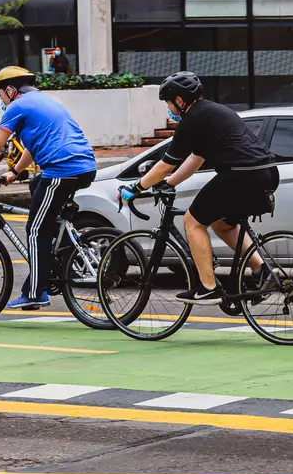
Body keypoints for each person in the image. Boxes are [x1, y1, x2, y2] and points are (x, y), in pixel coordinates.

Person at [118, 71, 279, 305]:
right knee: (222, 224)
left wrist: (136, 187)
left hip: (240, 175)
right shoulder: (215, 112)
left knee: (193, 221)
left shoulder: (192, 120)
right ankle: (262, 271)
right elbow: (197, 157)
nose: (169, 108)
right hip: (266, 172)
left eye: (168, 103)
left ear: (180, 101)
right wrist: (170, 183)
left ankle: (208, 288)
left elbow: (165, 164)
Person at [0, 66, 97, 310]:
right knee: (37, 186)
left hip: (62, 171)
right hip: (84, 167)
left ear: (11, 91)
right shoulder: (45, 101)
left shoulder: (18, 106)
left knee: (35, 230)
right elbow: (33, 147)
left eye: (1, 95)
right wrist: (14, 172)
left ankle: (36, 292)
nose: (1, 101)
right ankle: (59, 253)